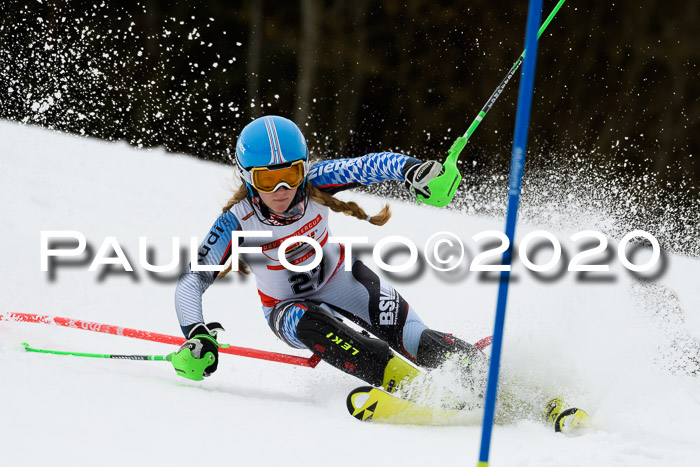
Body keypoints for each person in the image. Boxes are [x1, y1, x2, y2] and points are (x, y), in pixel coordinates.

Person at [172, 114, 486, 393]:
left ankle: (484, 377)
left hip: (344, 281)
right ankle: (410, 387)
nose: (281, 189)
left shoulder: (316, 182)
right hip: (286, 309)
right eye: (267, 179)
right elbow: (191, 281)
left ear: (304, 169)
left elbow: (366, 166)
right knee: (313, 324)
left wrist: (412, 170)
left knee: (416, 338)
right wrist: (197, 333)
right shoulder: (237, 220)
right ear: (247, 178)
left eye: (291, 175)